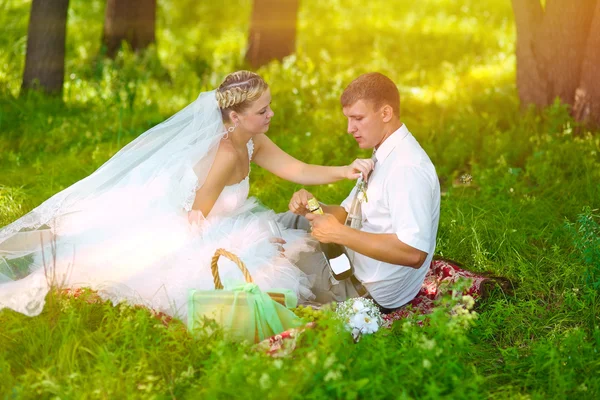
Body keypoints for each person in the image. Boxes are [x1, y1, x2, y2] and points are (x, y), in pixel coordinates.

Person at [0, 71, 374, 320]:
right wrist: (253, 241)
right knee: (262, 274)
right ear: (235, 118)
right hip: (196, 226)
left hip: (215, 219)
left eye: (268, 107)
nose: (270, 114)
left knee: (281, 249)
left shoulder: (251, 138)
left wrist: (344, 170)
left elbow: (295, 168)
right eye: (263, 111)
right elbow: (197, 217)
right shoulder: (226, 155)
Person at [280, 72, 441, 313]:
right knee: (288, 220)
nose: (349, 129)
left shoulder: (407, 169)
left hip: (363, 291)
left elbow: (413, 252)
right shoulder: (385, 152)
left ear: (385, 113)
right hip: (349, 261)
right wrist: (314, 207)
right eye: (348, 119)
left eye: (357, 118)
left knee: (272, 255)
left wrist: (340, 234)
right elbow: (347, 214)